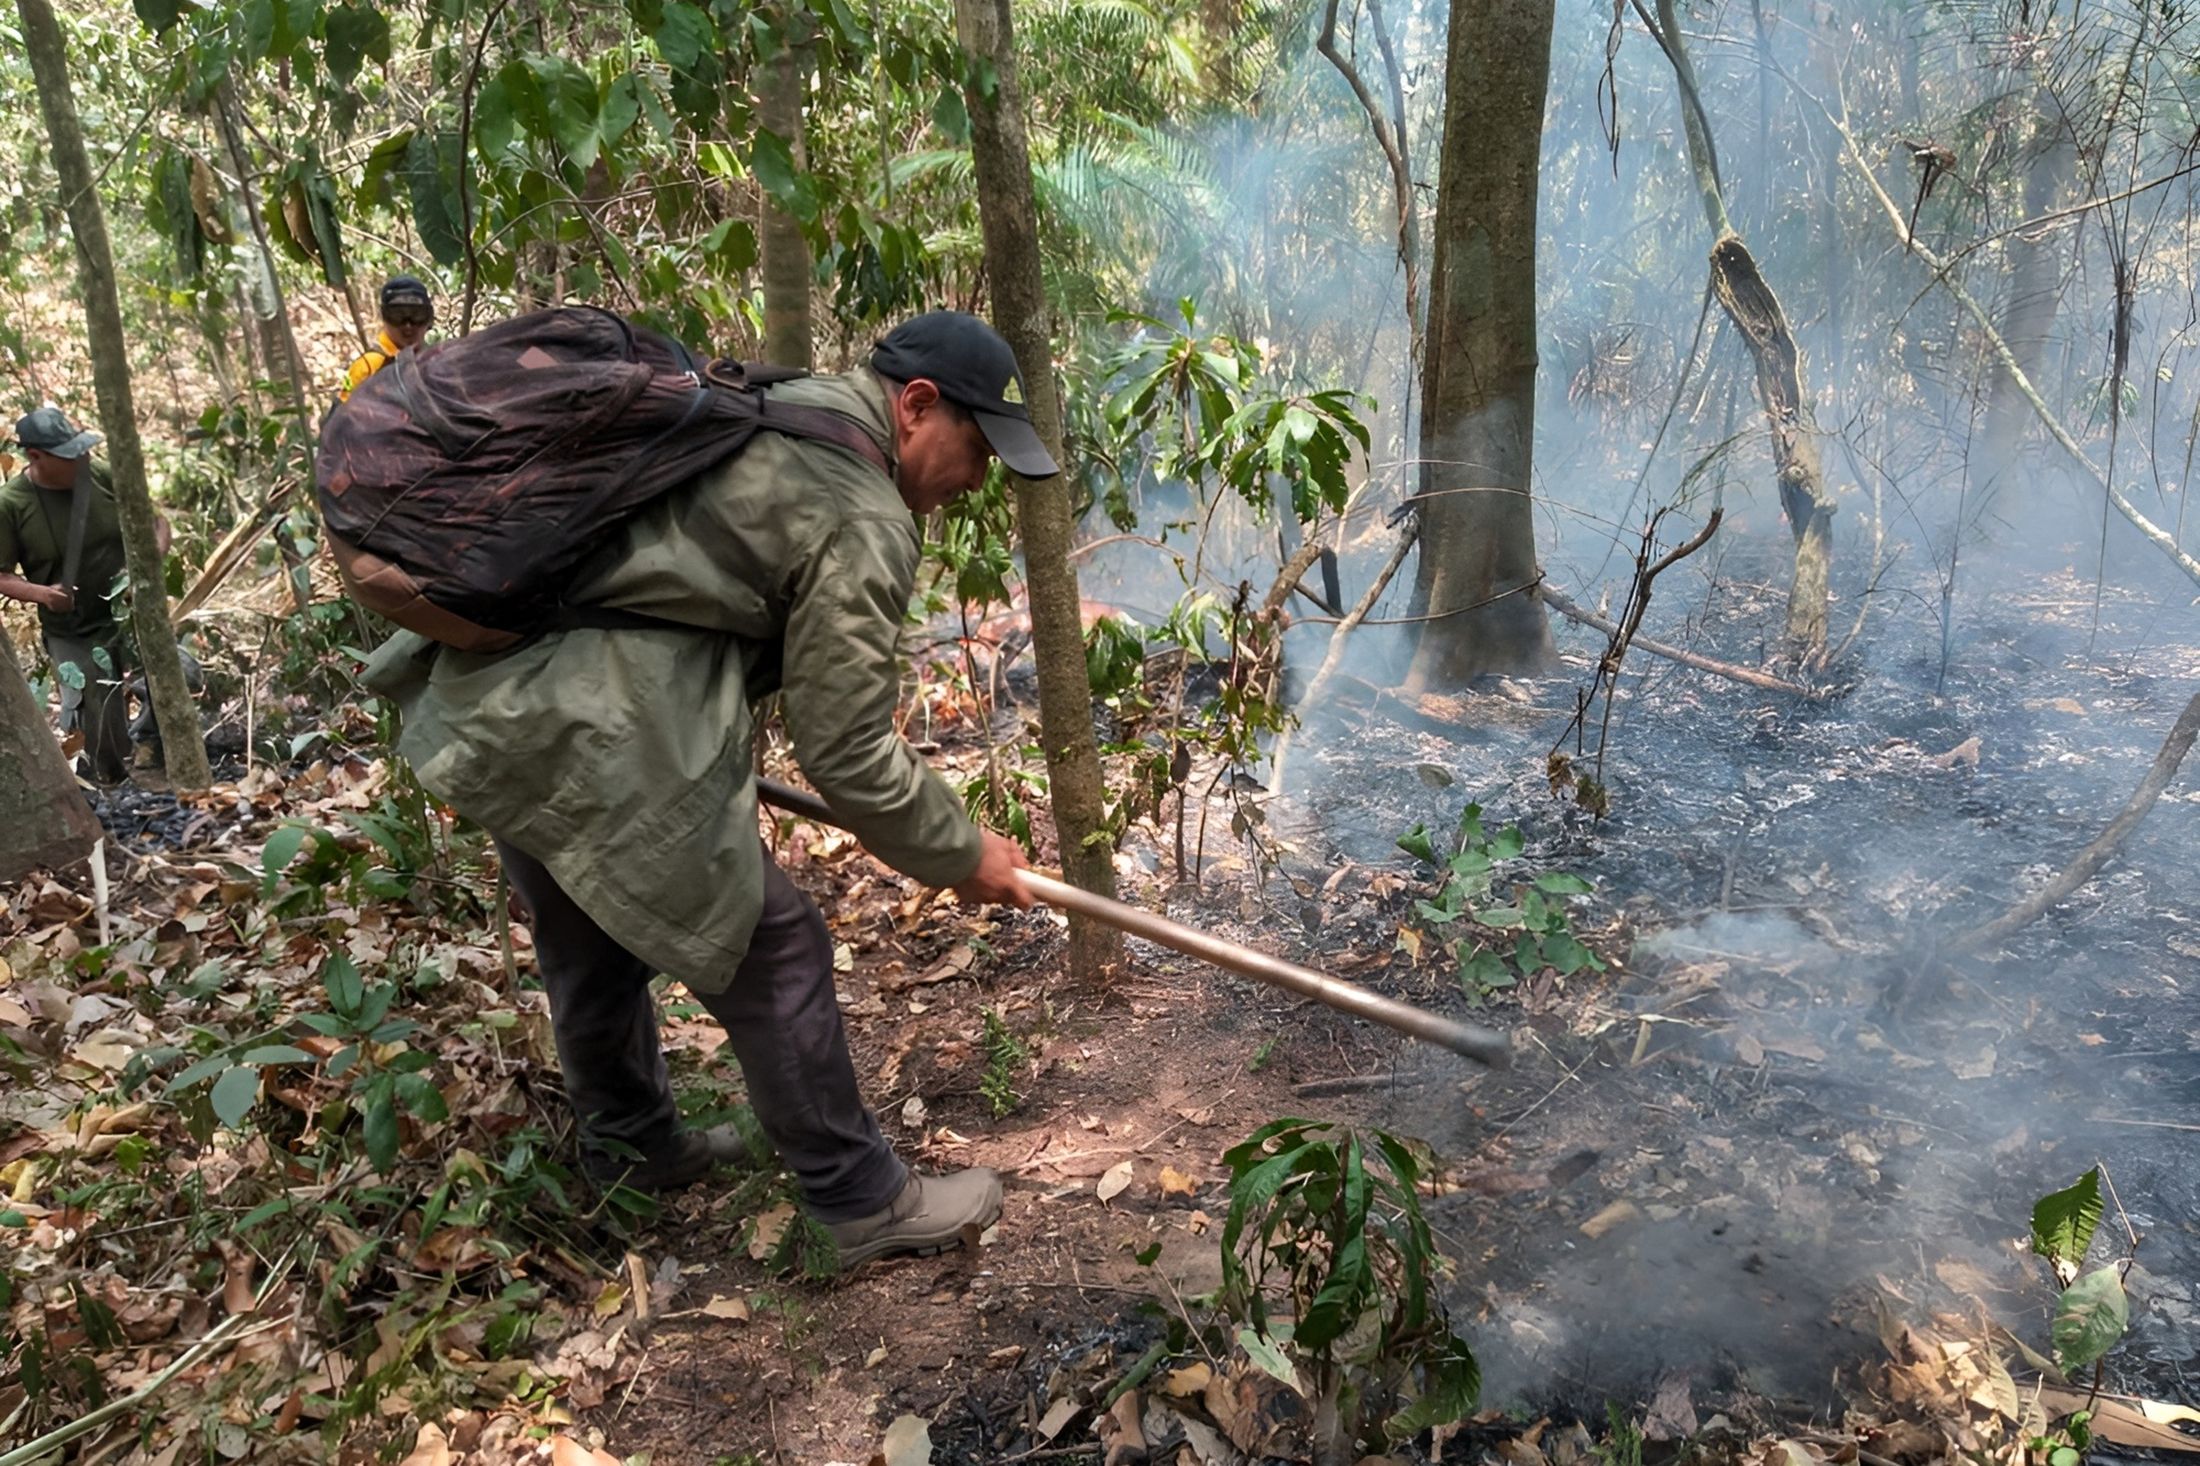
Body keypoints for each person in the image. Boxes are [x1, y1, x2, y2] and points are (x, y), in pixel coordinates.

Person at [365, 311, 1060, 1267]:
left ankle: (632, 1147)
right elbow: (848, 747)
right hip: (597, 725)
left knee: (587, 937)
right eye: (976, 450)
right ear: (917, 405)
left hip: (507, 701)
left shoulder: (786, 403)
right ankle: (861, 1202)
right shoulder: (863, 509)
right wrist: (960, 852)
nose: (974, 483)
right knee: (775, 948)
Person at [0, 407, 168, 784]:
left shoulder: (98, 472)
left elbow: (156, 522)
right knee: (98, 716)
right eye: (67, 454)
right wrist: (43, 594)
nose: (80, 458)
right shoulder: (12, 504)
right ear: (35, 457)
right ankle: (113, 787)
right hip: (73, 630)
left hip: (130, 613)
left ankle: (154, 761)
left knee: (178, 677)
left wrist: (146, 567)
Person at [338, 276, 435, 403]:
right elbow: (341, 416)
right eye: (397, 315)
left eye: (417, 315)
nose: (408, 325)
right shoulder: (367, 366)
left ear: (429, 318)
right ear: (384, 317)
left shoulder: (435, 361)